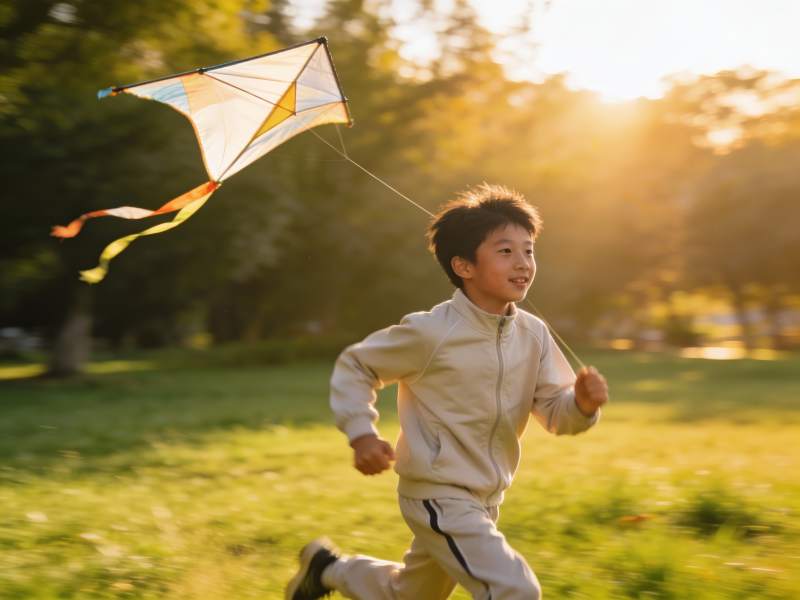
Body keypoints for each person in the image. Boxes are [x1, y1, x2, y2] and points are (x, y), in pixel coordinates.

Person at [285, 184, 609, 600]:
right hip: (436, 492)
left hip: (486, 497)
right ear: (464, 265)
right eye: (505, 251)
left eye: (528, 250)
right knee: (513, 590)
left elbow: (555, 413)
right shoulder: (432, 331)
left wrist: (581, 405)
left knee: (410, 595)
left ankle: (326, 569)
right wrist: (361, 432)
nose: (523, 263)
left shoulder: (533, 334)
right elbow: (357, 364)